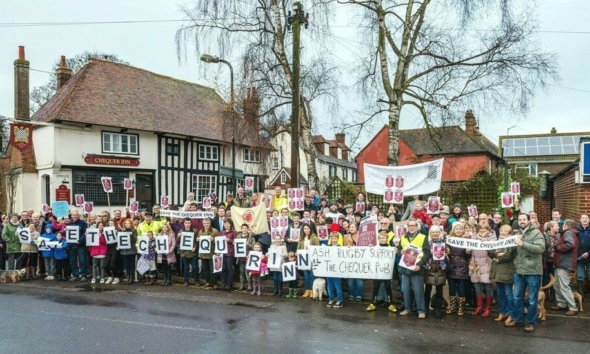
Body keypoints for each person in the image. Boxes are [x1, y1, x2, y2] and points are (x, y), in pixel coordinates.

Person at [506, 213, 545, 332]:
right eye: (520, 220)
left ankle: (530, 322)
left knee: (532, 300)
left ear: (529, 221)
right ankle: (517, 319)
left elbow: (540, 248)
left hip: (533, 271)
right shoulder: (516, 234)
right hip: (519, 270)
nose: (522, 221)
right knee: (517, 298)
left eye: (524, 219)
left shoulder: (536, 233)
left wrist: (522, 244)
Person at [398, 220, 432, 318]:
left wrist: (420, 265)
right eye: (410, 225)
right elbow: (399, 251)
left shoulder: (423, 237)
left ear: (417, 227)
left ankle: (421, 311)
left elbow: (427, 253)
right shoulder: (403, 237)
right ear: (407, 227)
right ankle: (407, 309)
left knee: (418, 291)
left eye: (414, 225)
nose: (412, 227)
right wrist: (401, 252)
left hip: (417, 268)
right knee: (406, 291)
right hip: (405, 267)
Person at [487, 225, 516, 323]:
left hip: (507, 270)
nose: (503, 232)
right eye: (501, 230)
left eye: (505, 231)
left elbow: (508, 256)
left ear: (510, 233)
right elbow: (490, 252)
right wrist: (497, 254)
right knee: (500, 294)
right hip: (497, 271)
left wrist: (497, 258)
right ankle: (502, 312)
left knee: (509, 294)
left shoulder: (512, 243)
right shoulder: (497, 242)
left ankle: (511, 314)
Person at [551, 219, 579, 316]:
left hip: (564, 263)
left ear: (566, 225)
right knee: (557, 284)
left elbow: (570, 244)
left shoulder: (568, 233)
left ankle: (573, 307)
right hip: (562, 263)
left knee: (564, 286)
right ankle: (561, 303)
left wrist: (557, 248)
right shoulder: (571, 233)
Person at [467, 221, 495, 318]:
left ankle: (488, 308)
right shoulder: (473, 238)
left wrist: (486, 243)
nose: (482, 230)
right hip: (476, 265)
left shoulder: (492, 238)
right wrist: (471, 258)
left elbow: (493, 251)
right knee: (477, 287)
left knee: (488, 287)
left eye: (485, 228)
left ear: (488, 229)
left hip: (487, 265)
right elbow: (472, 253)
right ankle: (479, 307)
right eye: (480, 228)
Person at [367, 231, 398, 313]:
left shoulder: (391, 248)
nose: (382, 239)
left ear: (387, 239)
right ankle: (372, 303)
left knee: (388, 287)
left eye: (384, 238)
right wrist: (370, 248)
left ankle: (390, 303)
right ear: (378, 239)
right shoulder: (375, 247)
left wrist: (395, 250)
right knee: (376, 287)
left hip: (386, 272)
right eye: (380, 238)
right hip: (377, 272)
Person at [446, 222, 470, 316]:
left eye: (460, 229)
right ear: (453, 230)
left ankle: (461, 306)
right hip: (451, 265)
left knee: (461, 287)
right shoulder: (449, 240)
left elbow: (469, 256)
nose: (458, 231)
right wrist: (446, 250)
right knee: (452, 287)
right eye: (457, 229)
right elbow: (445, 251)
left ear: (463, 230)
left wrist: (468, 252)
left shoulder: (467, 240)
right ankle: (452, 306)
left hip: (462, 266)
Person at [424, 227, 447, 318]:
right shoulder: (427, 243)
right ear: (430, 233)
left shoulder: (444, 243)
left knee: (439, 290)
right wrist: (430, 252)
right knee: (428, 290)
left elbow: (447, 255)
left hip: (440, 268)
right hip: (429, 268)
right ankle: (425, 308)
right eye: (433, 232)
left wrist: (446, 252)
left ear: (439, 232)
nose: (435, 233)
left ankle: (438, 309)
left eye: (437, 232)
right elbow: (423, 253)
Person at [297, 224, 319, 298]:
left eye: (307, 228)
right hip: (304, 259)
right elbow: (298, 247)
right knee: (306, 276)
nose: (306, 230)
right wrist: (298, 252)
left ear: (310, 229)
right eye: (305, 229)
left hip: (312, 259)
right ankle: (307, 290)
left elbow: (317, 248)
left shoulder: (314, 237)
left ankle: (313, 290)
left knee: (312, 275)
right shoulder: (301, 238)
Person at [344, 222, 363, 302]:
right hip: (349, 261)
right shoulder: (345, 236)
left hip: (359, 260)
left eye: (353, 227)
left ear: (356, 228)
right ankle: (351, 294)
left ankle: (359, 295)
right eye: (350, 227)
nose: (351, 228)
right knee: (350, 279)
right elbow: (342, 248)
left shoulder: (361, 235)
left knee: (359, 279)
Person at [67, 210, 88, 282]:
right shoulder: (69, 224)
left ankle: (83, 275)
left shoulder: (83, 223)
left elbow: (86, 234)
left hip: (81, 246)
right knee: (73, 261)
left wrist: (80, 240)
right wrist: (64, 231)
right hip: (71, 246)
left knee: (82, 261)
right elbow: (66, 235)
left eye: (76, 215)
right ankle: (75, 275)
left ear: (78, 215)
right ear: (71, 216)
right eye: (73, 215)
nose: (74, 216)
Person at [198, 218, 219, 289]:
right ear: (203, 224)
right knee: (206, 269)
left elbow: (219, 242)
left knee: (213, 270)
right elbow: (198, 240)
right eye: (204, 223)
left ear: (210, 224)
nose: (206, 225)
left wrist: (213, 240)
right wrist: (197, 240)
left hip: (212, 254)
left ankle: (214, 283)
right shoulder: (201, 231)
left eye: (207, 223)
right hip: (203, 254)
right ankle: (208, 282)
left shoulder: (215, 231)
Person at [178, 218, 199, 287]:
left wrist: (195, 247)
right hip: (184, 253)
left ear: (190, 223)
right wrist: (178, 237)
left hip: (192, 253)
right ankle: (186, 281)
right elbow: (177, 242)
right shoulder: (181, 231)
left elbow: (197, 241)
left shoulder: (195, 231)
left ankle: (196, 280)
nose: (187, 224)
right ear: (184, 223)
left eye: (188, 223)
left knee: (195, 267)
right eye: (186, 223)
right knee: (186, 268)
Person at [326, 231, 344, 308]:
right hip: (329, 269)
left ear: (338, 239)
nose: (333, 239)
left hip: (337, 270)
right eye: (332, 238)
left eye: (335, 238)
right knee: (329, 287)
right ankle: (331, 299)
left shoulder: (340, 247)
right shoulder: (327, 247)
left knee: (337, 286)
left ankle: (339, 300)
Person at [543, 220, 560, 300]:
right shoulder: (545, 236)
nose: (558, 227)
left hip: (555, 261)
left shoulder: (559, 235)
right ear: (551, 227)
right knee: (545, 277)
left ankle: (553, 295)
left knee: (554, 277)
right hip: (546, 260)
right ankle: (545, 295)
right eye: (556, 226)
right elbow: (544, 248)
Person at [236, 224, 255, 292]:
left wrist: (248, 244)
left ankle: (250, 286)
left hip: (248, 256)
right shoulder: (238, 236)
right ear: (241, 229)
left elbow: (254, 247)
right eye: (243, 228)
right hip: (240, 257)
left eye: (245, 228)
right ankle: (242, 285)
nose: (244, 229)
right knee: (241, 272)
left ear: (248, 229)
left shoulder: (251, 237)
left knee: (248, 272)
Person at [219, 219, 236, 291]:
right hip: (222, 252)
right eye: (225, 223)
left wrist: (229, 240)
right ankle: (223, 283)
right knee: (223, 269)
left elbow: (236, 241)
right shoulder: (221, 232)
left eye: (227, 223)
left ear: (230, 224)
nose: (226, 225)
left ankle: (229, 283)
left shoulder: (234, 232)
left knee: (229, 269)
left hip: (230, 252)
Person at [576, 214, 590, 298]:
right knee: (580, 276)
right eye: (583, 218)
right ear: (580, 220)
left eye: (586, 218)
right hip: (579, 257)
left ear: (589, 220)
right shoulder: (576, 230)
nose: (585, 220)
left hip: (589, 257)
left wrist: (588, 253)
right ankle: (580, 295)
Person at [119, 219, 137, 285]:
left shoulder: (134, 230)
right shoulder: (122, 231)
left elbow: (135, 240)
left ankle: (131, 278)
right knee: (126, 265)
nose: (127, 224)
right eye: (126, 223)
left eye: (128, 223)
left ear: (131, 224)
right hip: (124, 251)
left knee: (131, 264)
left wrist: (131, 235)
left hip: (131, 250)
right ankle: (128, 277)